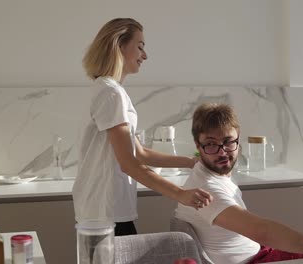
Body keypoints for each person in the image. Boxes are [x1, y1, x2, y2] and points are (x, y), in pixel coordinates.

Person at [175, 103, 303, 263]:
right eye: (211, 144)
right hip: (253, 261)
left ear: (238, 140)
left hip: (257, 252)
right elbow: (261, 231)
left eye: (228, 142)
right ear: (198, 145)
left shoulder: (206, 173)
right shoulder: (206, 190)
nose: (222, 152)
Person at [72, 18, 213, 236]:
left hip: (102, 210)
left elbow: (140, 153)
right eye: (140, 47)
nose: (144, 56)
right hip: (106, 213)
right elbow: (129, 163)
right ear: (119, 45)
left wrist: (193, 162)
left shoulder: (108, 90)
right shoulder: (110, 93)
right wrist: (181, 194)